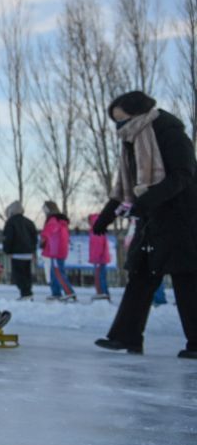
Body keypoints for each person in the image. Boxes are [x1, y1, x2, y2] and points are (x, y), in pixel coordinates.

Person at [92, 91, 197, 358]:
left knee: (186, 280)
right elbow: (124, 189)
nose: (119, 128)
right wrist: (107, 215)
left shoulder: (168, 132)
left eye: (122, 121)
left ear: (139, 114)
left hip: (181, 218)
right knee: (140, 277)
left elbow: (184, 174)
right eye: (115, 123)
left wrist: (148, 201)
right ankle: (126, 337)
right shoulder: (131, 141)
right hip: (151, 220)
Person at [41, 200, 76, 302]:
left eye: (45, 209)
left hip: (56, 251)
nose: (44, 211)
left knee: (58, 272)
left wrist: (43, 238)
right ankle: (56, 293)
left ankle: (69, 292)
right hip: (58, 249)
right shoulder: (60, 220)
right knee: (53, 272)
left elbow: (49, 230)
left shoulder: (53, 219)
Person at [2, 201, 36, 300]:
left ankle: (25, 293)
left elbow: (8, 238)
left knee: (19, 275)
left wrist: (7, 251)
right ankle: (28, 292)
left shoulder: (10, 222)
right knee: (27, 274)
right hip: (28, 253)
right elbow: (34, 238)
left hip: (16, 253)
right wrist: (32, 250)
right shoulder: (29, 222)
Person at [87, 213, 111, 301]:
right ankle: (103, 293)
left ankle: (102, 294)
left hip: (99, 259)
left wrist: (96, 259)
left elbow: (98, 245)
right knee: (102, 276)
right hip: (101, 258)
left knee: (99, 277)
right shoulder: (98, 228)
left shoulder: (96, 230)